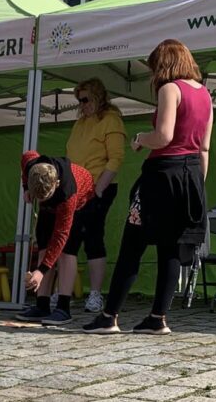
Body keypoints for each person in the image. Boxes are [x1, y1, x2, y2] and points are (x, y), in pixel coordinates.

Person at [84, 39, 213, 335]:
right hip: (190, 175)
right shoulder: (205, 93)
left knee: (133, 244)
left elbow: (164, 136)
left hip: (161, 176)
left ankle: (109, 316)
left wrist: (141, 137)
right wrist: (196, 186)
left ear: (163, 64)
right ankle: (158, 318)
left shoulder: (171, 89)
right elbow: (204, 147)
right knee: (170, 248)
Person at [65, 78, 126, 313]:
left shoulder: (111, 120)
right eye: (79, 100)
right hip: (76, 188)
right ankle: (63, 294)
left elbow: (116, 158)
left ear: (98, 96)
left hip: (99, 186)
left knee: (92, 237)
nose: (82, 104)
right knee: (69, 239)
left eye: (86, 99)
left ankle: (95, 294)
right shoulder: (80, 123)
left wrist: (99, 188)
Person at [16, 151, 95, 324]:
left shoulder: (68, 193)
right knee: (43, 245)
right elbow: (26, 155)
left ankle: (63, 308)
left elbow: (61, 235)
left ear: (56, 183)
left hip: (82, 202)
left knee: (67, 252)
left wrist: (40, 271)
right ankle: (42, 305)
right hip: (51, 205)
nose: (40, 200)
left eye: (45, 197)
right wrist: (26, 188)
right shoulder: (32, 165)